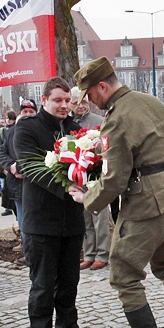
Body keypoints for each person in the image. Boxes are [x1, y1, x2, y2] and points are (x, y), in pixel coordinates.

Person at [69, 57, 164, 328]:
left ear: (101, 86)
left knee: (123, 272)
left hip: (147, 201)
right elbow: (152, 143)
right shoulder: (148, 101)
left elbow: (114, 180)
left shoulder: (117, 117)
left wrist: (86, 199)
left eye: (90, 96)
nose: (91, 103)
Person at [14, 76, 95, 328]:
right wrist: (67, 186)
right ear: (45, 99)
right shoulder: (28, 128)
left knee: (70, 280)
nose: (64, 105)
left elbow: (89, 165)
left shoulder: (77, 130)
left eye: (67, 101)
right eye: (58, 100)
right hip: (41, 220)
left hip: (72, 218)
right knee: (43, 283)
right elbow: (31, 167)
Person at [70, 87, 110, 271]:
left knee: (99, 216)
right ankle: (89, 254)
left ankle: (102, 254)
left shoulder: (99, 121)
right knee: (84, 218)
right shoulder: (67, 124)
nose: (81, 106)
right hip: (78, 176)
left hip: (97, 175)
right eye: (76, 102)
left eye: (84, 102)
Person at [0, 100, 37, 250]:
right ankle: (27, 251)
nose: (27, 115)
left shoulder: (40, 131)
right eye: (24, 112)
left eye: (31, 112)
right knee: (22, 220)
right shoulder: (11, 132)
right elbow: (2, 153)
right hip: (17, 186)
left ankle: (35, 252)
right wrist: (12, 167)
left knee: (36, 222)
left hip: (36, 185)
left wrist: (22, 169)